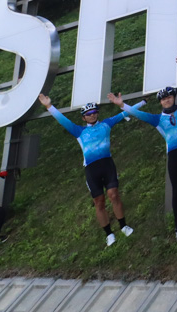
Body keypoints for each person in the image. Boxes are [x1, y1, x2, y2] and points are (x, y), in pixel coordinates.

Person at [110, 87, 177, 239]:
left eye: (169, 97)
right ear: (160, 102)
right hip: (174, 154)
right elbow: (139, 114)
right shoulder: (157, 119)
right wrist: (122, 105)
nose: (166, 100)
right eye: (163, 99)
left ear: (174, 97)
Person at [38, 93, 140, 246]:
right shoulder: (79, 131)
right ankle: (109, 234)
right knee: (99, 202)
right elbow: (63, 120)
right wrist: (49, 106)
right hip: (92, 170)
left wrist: (144, 101)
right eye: (88, 114)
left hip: (107, 165)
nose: (92, 115)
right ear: (83, 118)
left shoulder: (106, 124)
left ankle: (123, 225)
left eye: (94, 113)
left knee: (114, 195)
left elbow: (125, 113)